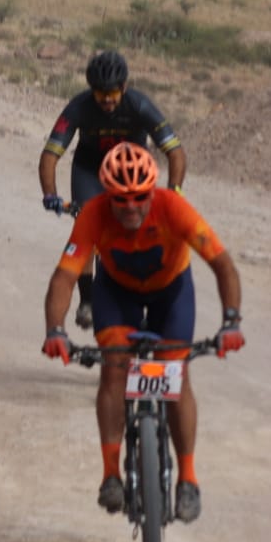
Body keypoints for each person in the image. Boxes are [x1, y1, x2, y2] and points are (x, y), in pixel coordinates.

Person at [40, 142, 243, 522]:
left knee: (174, 372)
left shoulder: (174, 208)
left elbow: (223, 265)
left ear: (154, 191)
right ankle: (111, 475)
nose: (131, 206)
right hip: (117, 294)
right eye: (121, 199)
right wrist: (56, 330)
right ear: (106, 196)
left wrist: (231, 320)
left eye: (139, 197)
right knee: (115, 368)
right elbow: (64, 278)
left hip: (172, 293)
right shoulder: (93, 215)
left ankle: (188, 480)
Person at [39, 49, 187, 331]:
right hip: (90, 172)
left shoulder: (140, 104)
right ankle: (88, 301)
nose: (107, 99)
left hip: (131, 173)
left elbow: (176, 152)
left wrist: (174, 192)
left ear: (124, 88)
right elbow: (50, 155)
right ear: (91, 90)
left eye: (112, 93)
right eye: (100, 93)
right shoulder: (79, 107)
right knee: (86, 229)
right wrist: (50, 194)